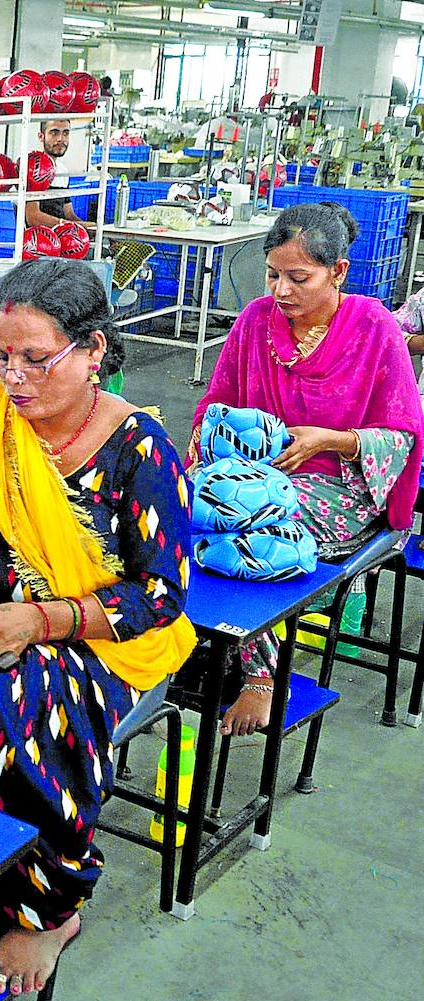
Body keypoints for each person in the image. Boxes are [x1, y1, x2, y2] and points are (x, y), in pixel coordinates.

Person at [0, 257, 195, 995]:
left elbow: (160, 595)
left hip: (91, 642)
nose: (12, 376)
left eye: (34, 358)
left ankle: (49, 906)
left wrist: (43, 619)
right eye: (1, 355)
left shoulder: (140, 450)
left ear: (92, 351)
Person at [191, 202, 423, 736]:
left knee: (252, 537)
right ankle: (196, 640)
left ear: (338, 271)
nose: (281, 290)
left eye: (299, 278)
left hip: (341, 486)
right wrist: (223, 437)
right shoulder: (254, 322)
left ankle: (262, 676)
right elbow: (213, 405)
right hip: (254, 479)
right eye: (273, 275)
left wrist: (331, 440)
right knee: (182, 512)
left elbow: (403, 436)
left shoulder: (374, 328)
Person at [24, 119, 89, 229]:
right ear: (41, 136)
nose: (60, 139)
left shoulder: (63, 170)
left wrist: (90, 228)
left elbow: (69, 214)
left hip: (61, 234)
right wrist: (76, 226)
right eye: (54, 133)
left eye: (65, 133)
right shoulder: (33, 168)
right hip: (39, 237)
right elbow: (33, 217)